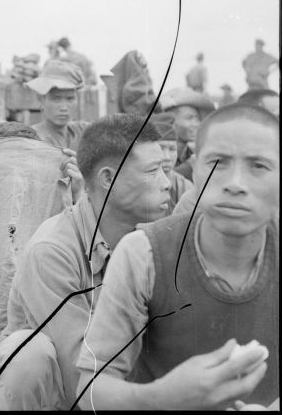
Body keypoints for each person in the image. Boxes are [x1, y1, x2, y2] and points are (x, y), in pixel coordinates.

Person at [76, 103, 280, 411]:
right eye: (218, 162)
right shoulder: (144, 253)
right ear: (194, 169)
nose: (236, 183)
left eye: (259, 166)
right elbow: (91, 390)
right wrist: (160, 397)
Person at [0, 114, 171, 410]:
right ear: (108, 179)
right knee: (25, 355)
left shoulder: (155, 238)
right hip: (65, 390)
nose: (166, 183)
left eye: (165, 170)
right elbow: (79, 369)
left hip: (122, 381)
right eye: (152, 172)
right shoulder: (53, 251)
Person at [27, 60, 88, 151]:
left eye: (70, 99)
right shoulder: (32, 139)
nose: (64, 108)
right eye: (56, 99)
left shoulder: (81, 131)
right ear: (41, 99)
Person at [160, 87, 215, 181]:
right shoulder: (159, 152)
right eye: (189, 118)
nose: (196, 124)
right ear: (171, 121)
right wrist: (193, 164)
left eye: (197, 118)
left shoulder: (189, 152)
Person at [152, 112, 193, 215]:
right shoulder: (139, 184)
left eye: (172, 149)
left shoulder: (185, 186)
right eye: (161, 148)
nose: (167, 157)